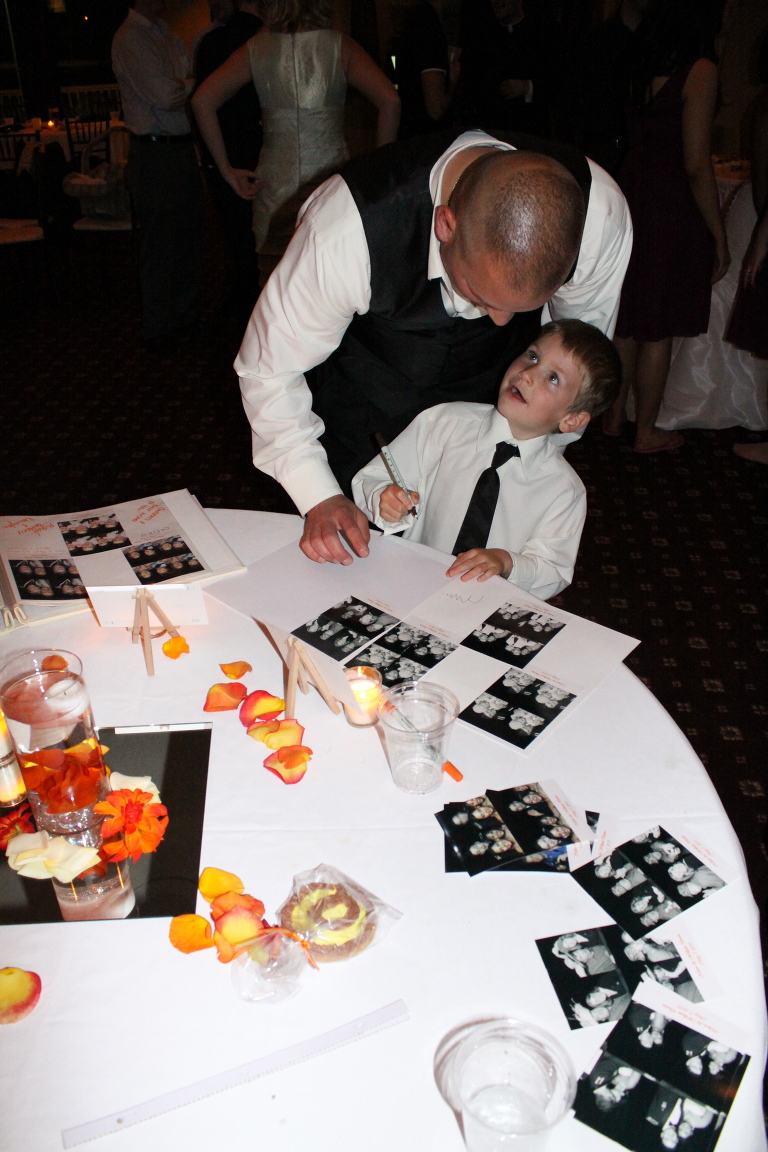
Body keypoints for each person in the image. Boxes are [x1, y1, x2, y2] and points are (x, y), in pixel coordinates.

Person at [234, 124, 631, 568]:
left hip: (499, 390)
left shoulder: (597, 218)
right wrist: (320, 494)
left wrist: (529, 479)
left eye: (520, 308)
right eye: (481, 295)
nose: (501, 321)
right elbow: (270, 370)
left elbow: (578, 372)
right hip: (366, 395)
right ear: (446, 224)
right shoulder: (348, 227)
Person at [352, 319, 620, 600]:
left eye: (553, 378)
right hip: (408, 585)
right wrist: (386, 498)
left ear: (572, 419)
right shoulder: (444, 422)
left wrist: (507, 562)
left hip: (488, 608)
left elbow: (554, 569)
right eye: (532, 356)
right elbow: (374, 477)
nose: (527, 374)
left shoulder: (564, 490)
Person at [192, 0, 400, 285]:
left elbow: (202, 100)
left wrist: (227, 171)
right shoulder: (340, 45)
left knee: (277, 295)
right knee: (329, 292)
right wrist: (378, 171)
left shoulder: (256, 48)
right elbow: (390, 100)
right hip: (330, 190)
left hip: (273, 192)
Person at [604, 0, 730, 451]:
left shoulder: (640, 59)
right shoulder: (700, 70)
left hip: (629, 193)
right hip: (667, 203)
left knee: (629, 318)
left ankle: (615, 416)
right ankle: (645, 431)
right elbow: (697, 164)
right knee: (656, 326)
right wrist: (718, 234)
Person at [112, 0, 204, 351]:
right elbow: (167, 95)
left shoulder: (166, 34)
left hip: (179, 148)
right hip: (152, 152)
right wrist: (189, 84)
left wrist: (184, 84)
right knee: (159, 242)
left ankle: (183, 318)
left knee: (188, 237)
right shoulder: (130, 38)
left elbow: (178, 86)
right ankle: (159, 327)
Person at [194, 0, 264, 311]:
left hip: (228, 155)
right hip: (265, 155)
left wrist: (217, 164)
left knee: (239, 244)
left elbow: (202, 105)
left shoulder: (211, 41)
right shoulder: (267, 41)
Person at [460, 0, 545, 136]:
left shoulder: (542, 34)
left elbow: (558, 83)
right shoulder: (481, 38)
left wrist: (527, 87)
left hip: (528, 132)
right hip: (489, 131)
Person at [395, 0, 459, 139]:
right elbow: (436, 110)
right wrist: (454, 81)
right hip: (427, 142)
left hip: (410, 137)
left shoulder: (414, 21)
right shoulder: (430, 29)